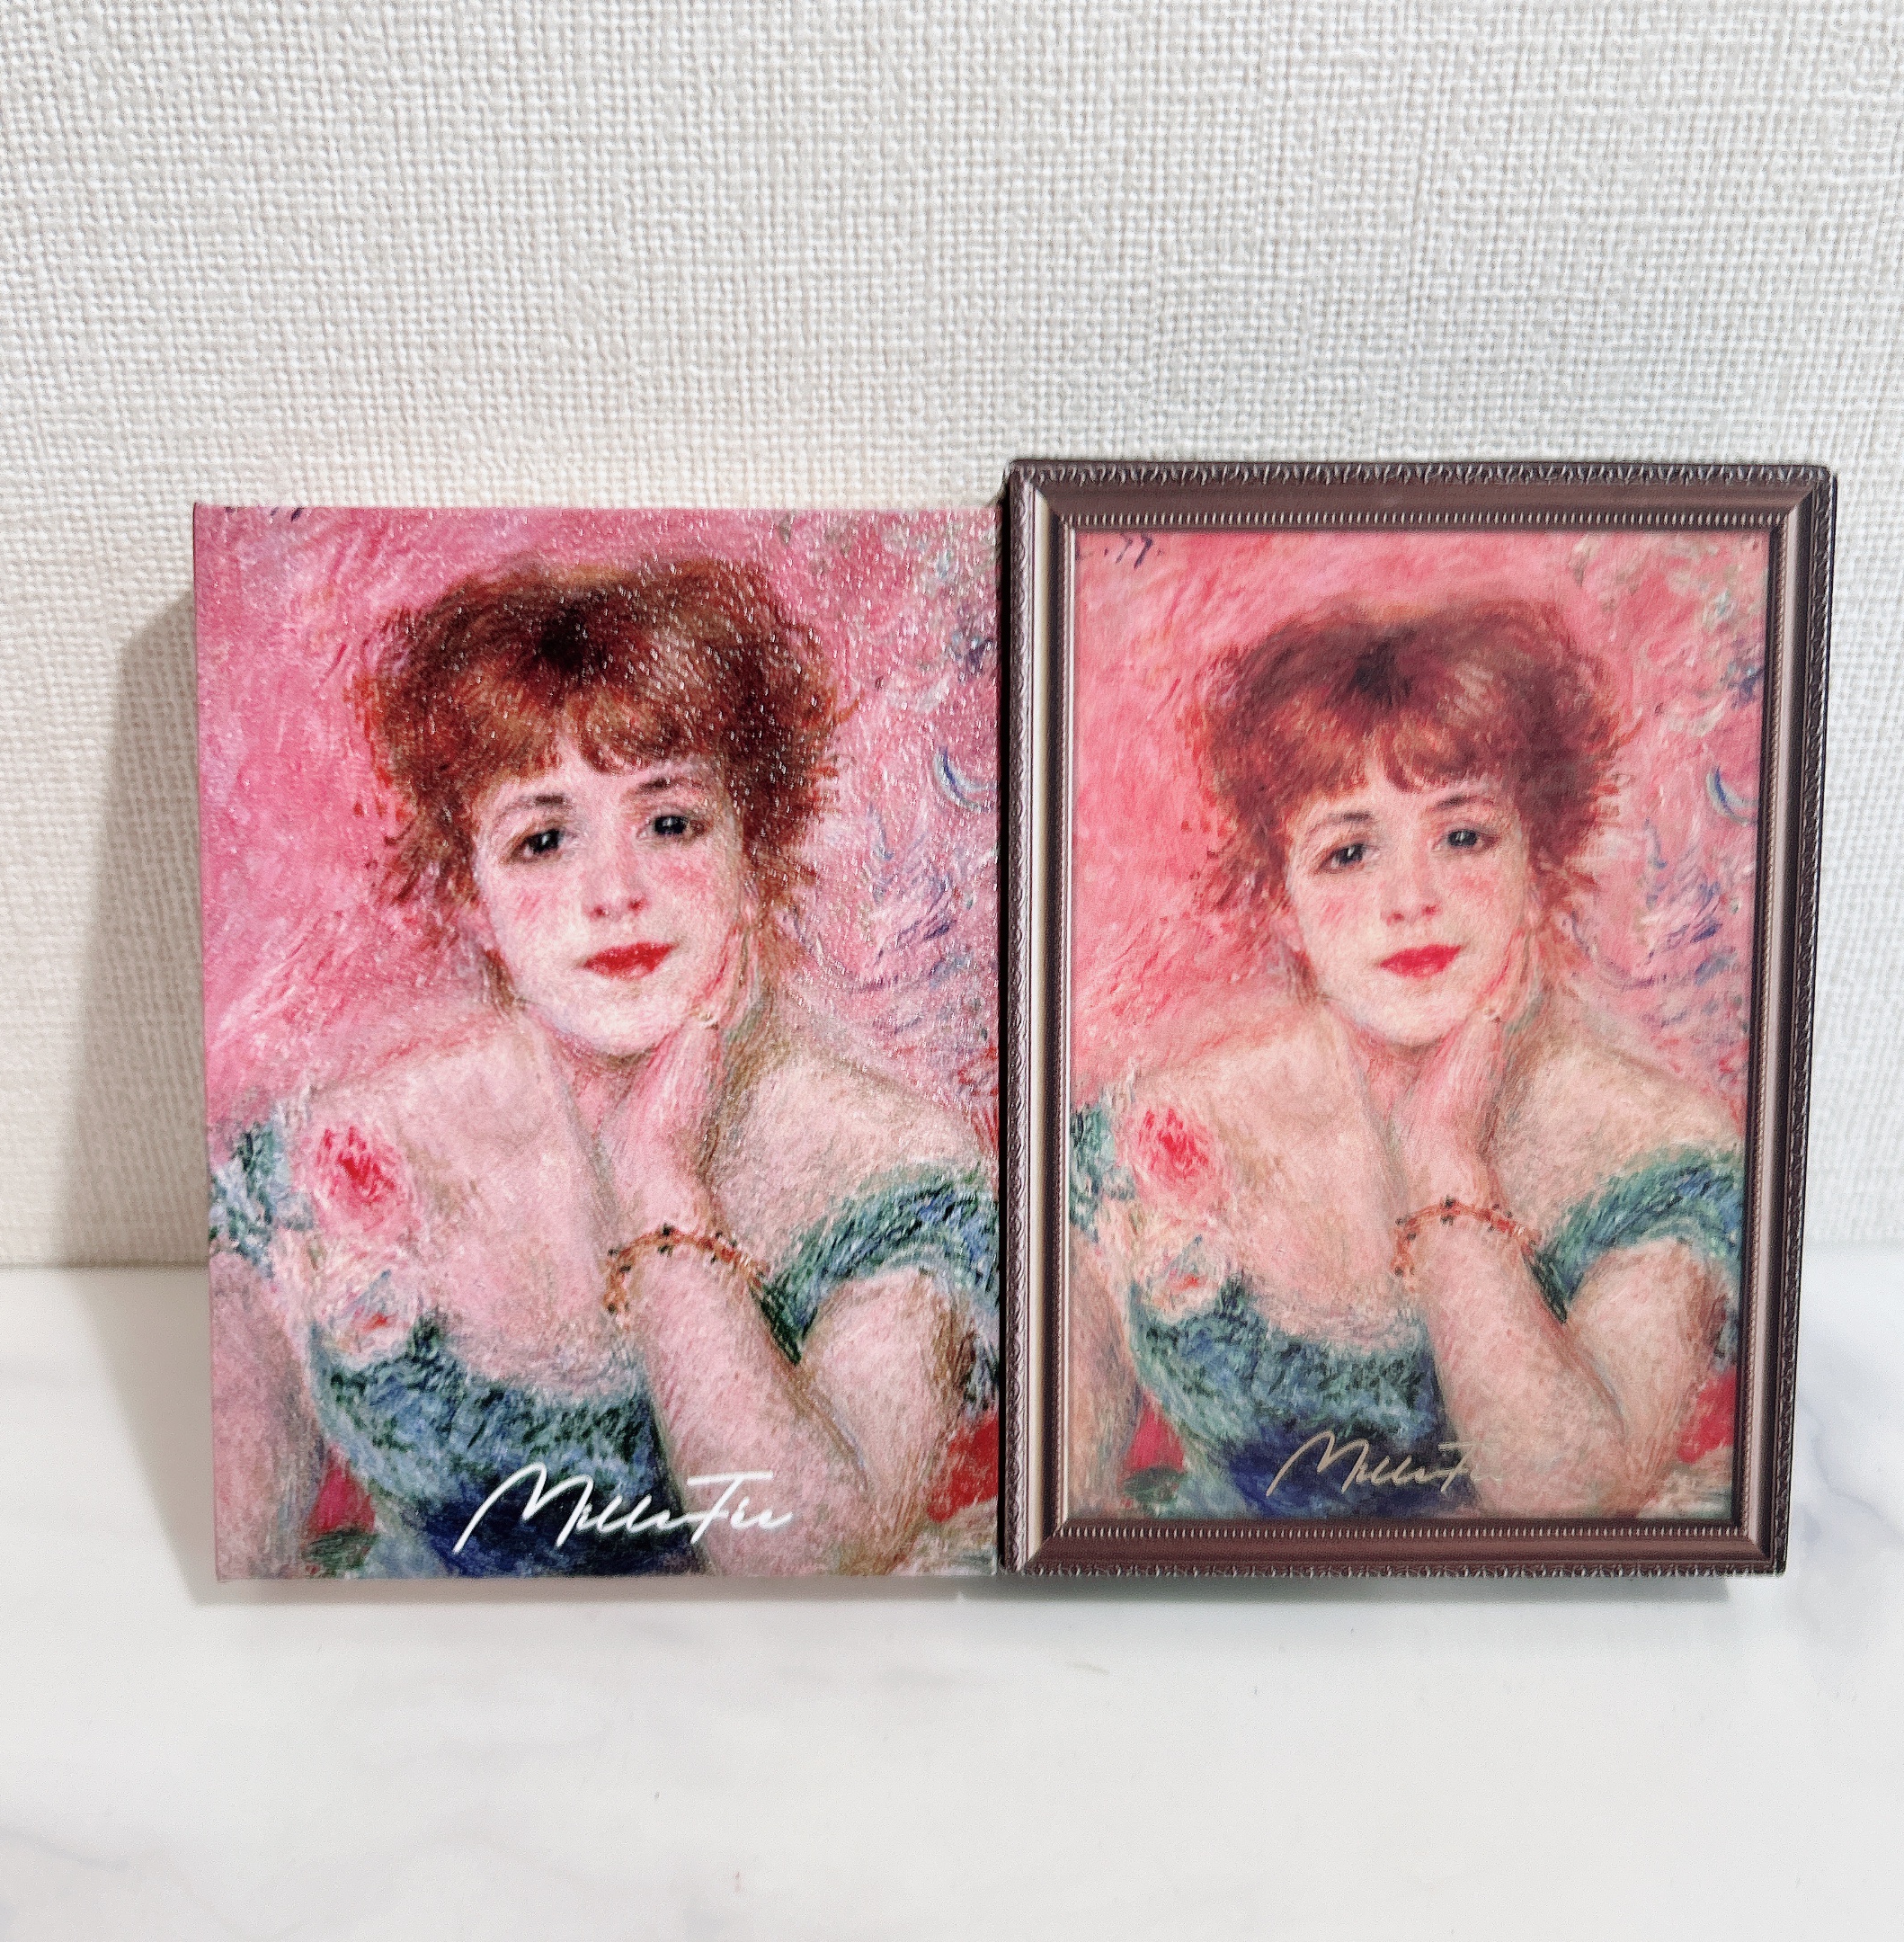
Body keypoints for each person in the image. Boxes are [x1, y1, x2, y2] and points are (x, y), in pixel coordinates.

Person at [209, 560, 999, 1576]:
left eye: (670, 823)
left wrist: (661, 1180)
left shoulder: (895, 1170)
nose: (614, 892)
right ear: (470, 897)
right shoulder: (336, 1163)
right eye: (543, 840)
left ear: (752, 852)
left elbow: (806, 1565)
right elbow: (227, 1555)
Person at [1069, 601, 1743, 1521]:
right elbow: (1064, 1494)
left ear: (1538, 867)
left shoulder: (1658, 1149)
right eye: (1348, 853)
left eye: (1463, 837)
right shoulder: (1154, 1133)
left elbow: (1570, 1499)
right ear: (1282, 905)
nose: (1411, 899)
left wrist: (1446, 1157)